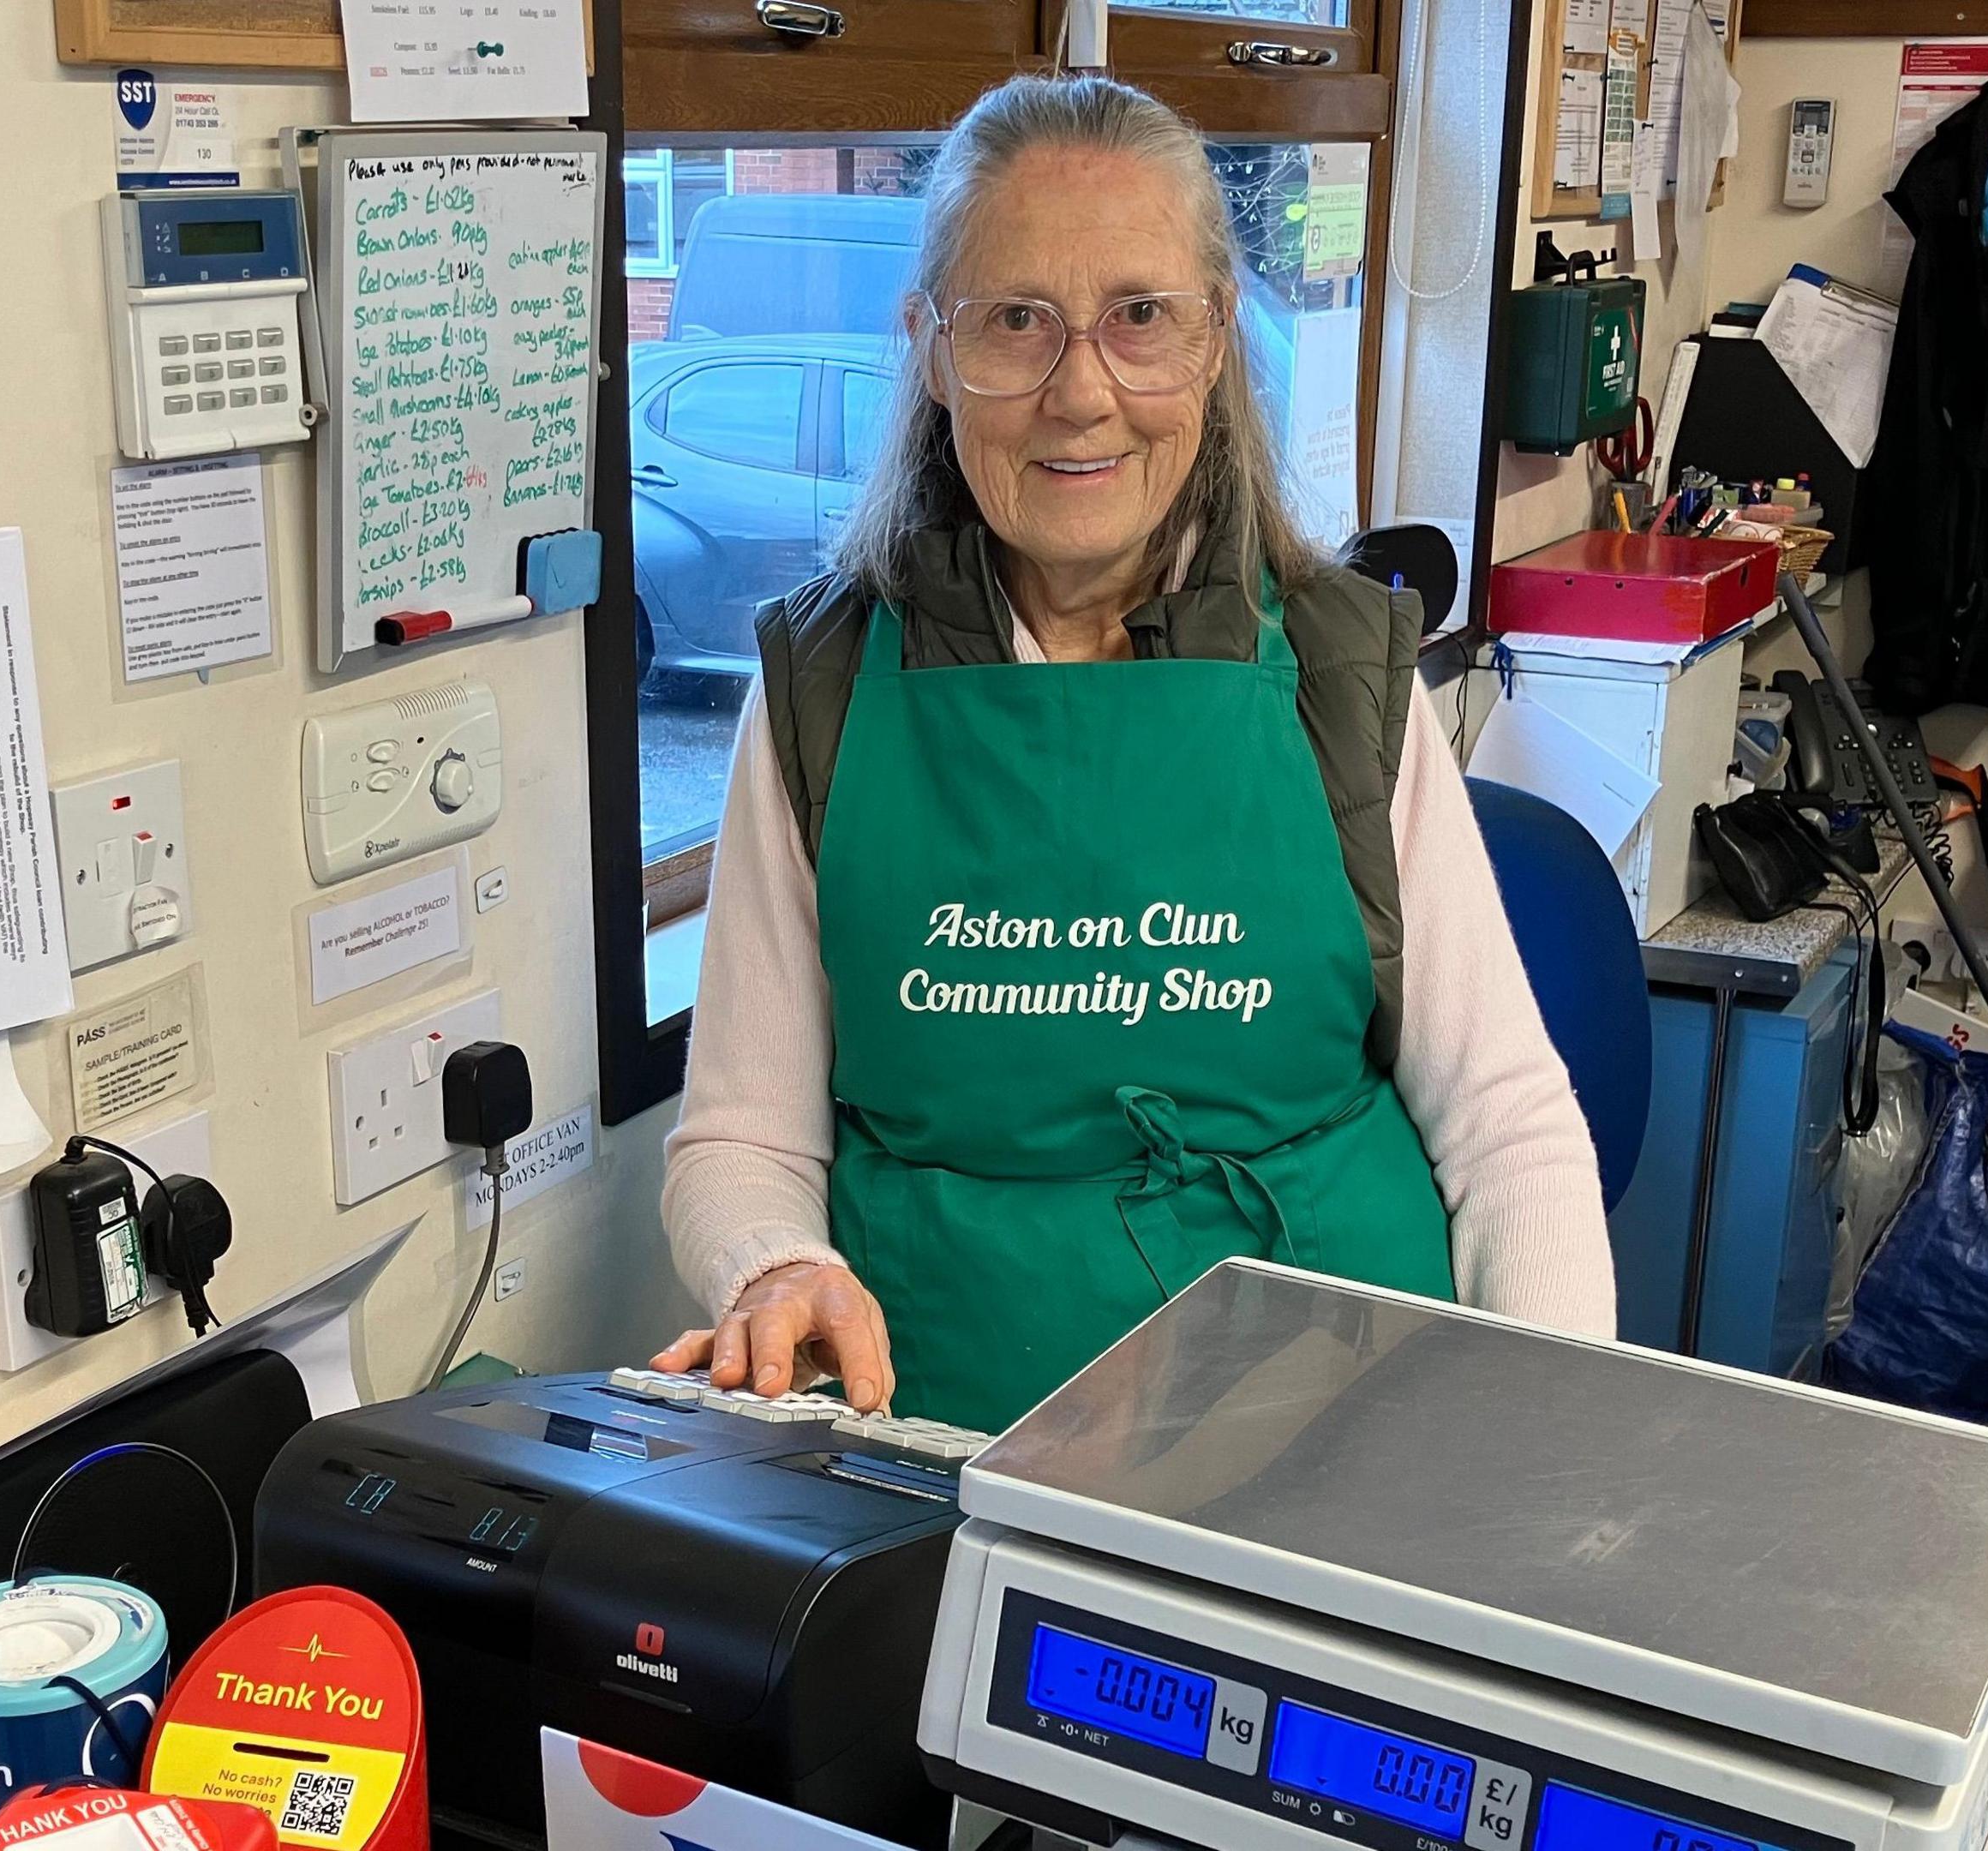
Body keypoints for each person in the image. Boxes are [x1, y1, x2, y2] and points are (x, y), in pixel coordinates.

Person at [653, 74, 1611, 1433]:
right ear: (931, 346)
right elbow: (740, 1140)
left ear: (1216, 341)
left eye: (1140, 318)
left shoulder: (1340, 672)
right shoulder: (820, 690)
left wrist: (1553, 1440)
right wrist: (778, 1263)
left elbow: (1505, 1121)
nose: (1080, 392)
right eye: (1015, 323)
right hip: (941, 1453)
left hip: (1332, 1430)